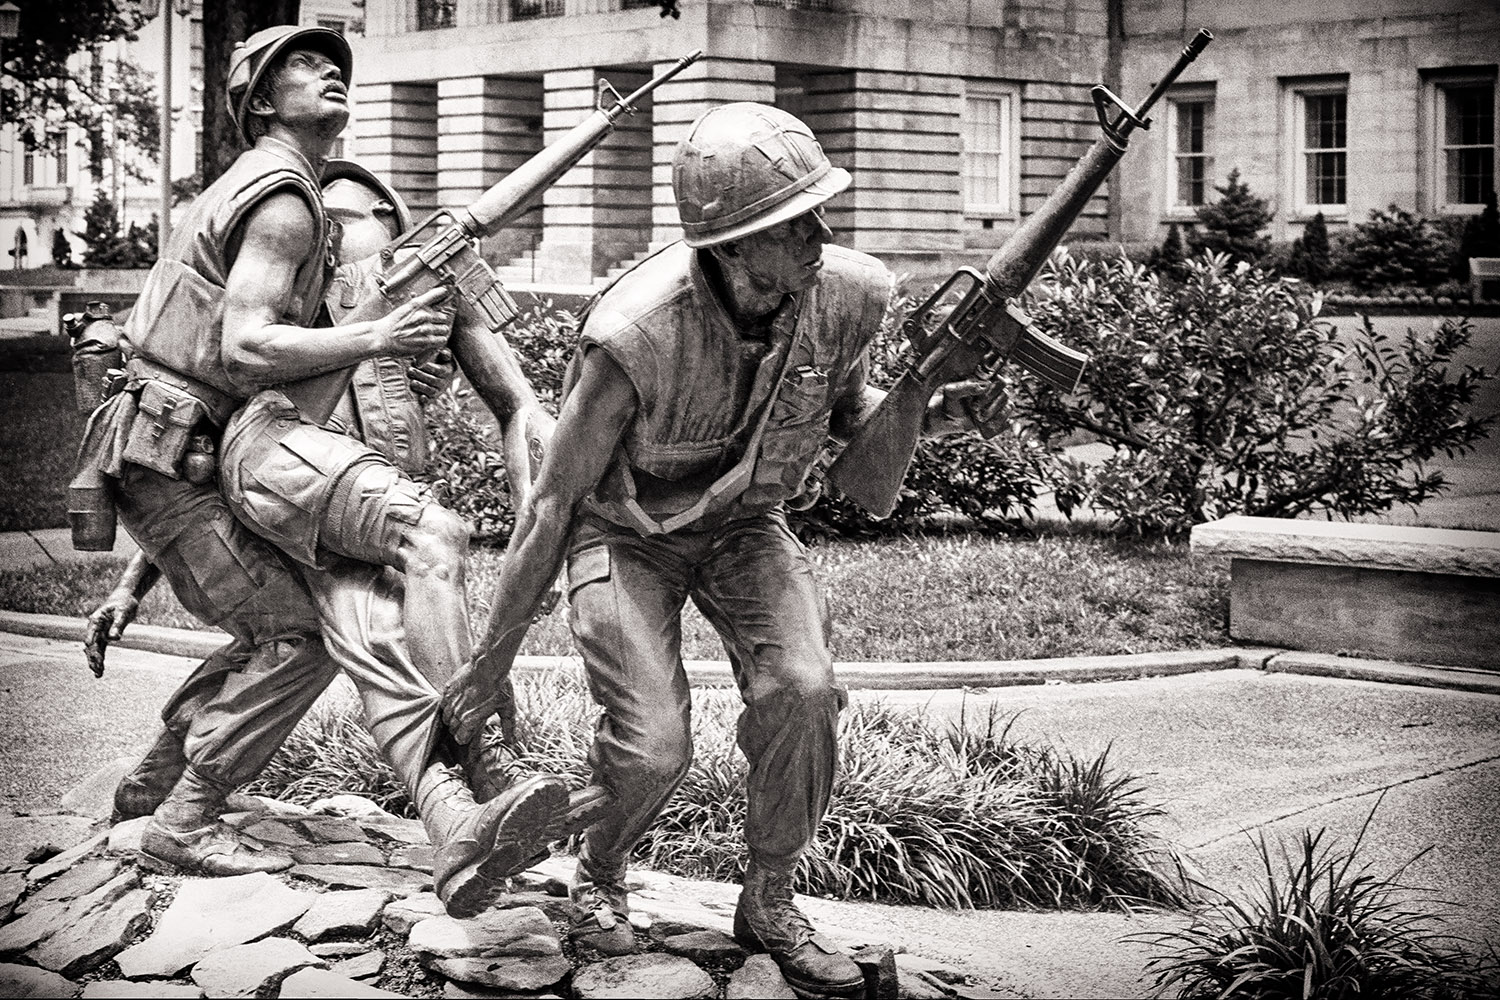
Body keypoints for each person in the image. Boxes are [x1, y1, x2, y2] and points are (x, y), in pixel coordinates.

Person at [441, 103, 978, 998]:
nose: (820, 234)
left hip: (745, 529)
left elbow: (851, 421)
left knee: (805, 691)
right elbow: (553, 503)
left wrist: (927, 409)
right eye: (794, 223)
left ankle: (769, 898)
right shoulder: (634, 336)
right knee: (653, 747)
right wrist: (488, 666)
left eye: (818, 212)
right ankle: (600, 871)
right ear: (730, 246)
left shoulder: (844, 292)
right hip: (625, 534)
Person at [69, 25, 566, 915]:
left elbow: (515, 401)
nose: (331, 70)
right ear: (260, 101)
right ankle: (201, 816)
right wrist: (376, 331)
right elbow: (245, 347)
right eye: (302, 64)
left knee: (305, 623)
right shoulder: (287, 207)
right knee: (313, 630)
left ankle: (155, 789)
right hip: (200, 458)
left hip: (203, 461)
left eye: (379, 220)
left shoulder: (315, 228)